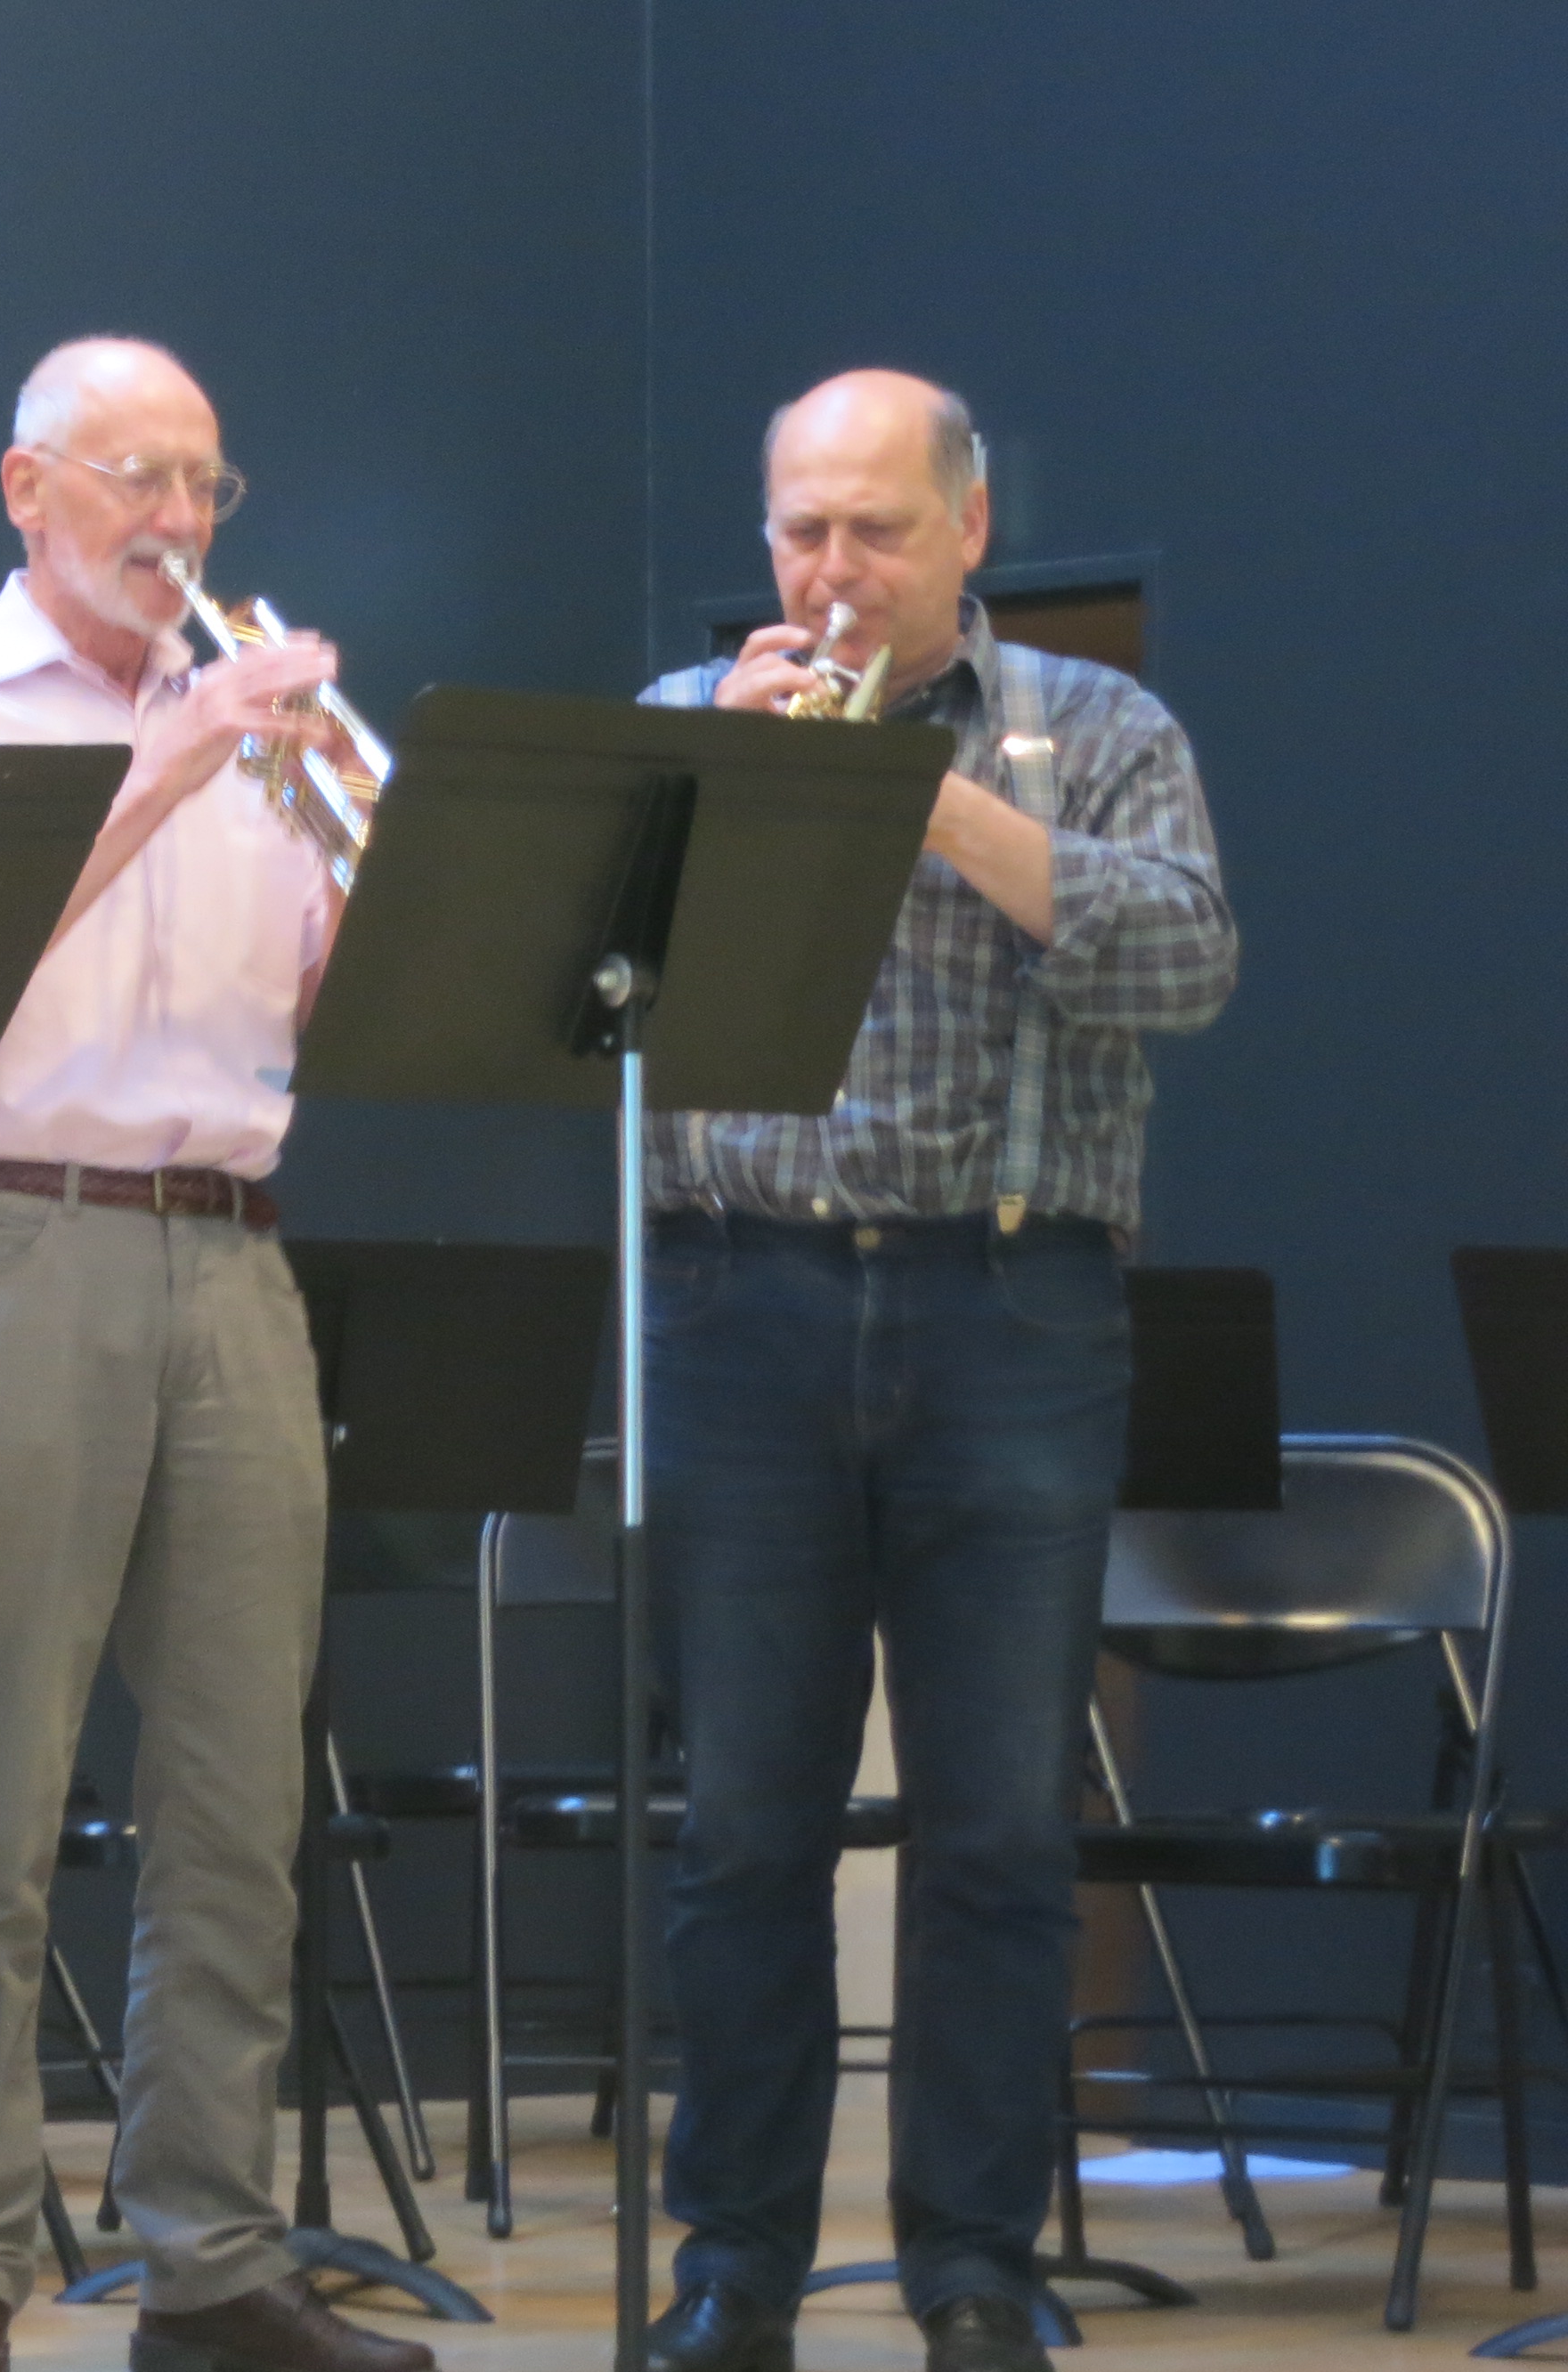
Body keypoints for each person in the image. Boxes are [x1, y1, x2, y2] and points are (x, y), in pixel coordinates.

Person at [0, 336, 432, 2372]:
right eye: (131, 478)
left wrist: (372, 870)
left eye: (200, 485)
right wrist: (177, 761)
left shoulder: (255, 718)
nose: (173, 521)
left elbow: (346, 1013)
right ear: (25, 488)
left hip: (227, 1249)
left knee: (237, 1796)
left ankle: (209, 2262)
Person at [630, 371, 1236, 2372]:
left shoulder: (1100, 727)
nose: (832, 572)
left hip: (1011, 1307)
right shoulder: (680, 721)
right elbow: (571, 988)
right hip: (740, 1306)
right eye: (800, 531)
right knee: (743, 1830)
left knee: (994, 1828)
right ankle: (731, 2266)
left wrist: (926, 793)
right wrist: (714, 794)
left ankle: (973, 2262)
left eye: (873, 531)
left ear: (966, 531)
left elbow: (1186, 965)